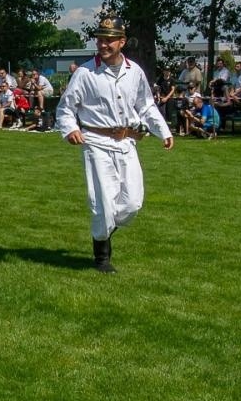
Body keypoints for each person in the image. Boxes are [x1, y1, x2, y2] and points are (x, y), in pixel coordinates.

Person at [54, 15, 173, 273]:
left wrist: (163, 130)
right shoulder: (85, 73)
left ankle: (104, 229)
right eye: (100, 40)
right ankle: (102, 256)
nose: (103, 45)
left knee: (132, 203)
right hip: (96, 143)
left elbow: (146, 105)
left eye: (109, 40)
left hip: (126, 142)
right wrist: (71, 129)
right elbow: (65, 108)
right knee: (103, 203)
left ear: (122, 42)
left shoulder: (135, 71)